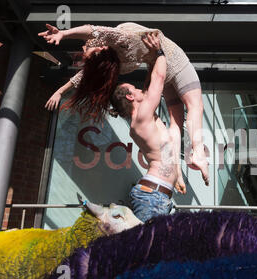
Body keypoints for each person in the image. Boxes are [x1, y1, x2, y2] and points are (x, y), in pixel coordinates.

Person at [38, 22, 209, 194]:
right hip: (170, 60)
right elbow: (93, 33)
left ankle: (178, 172)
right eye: (87, 50)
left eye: (86, 50)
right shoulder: (118, 44)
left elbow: (93, 34)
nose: (83, 50)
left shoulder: (118, 43)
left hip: (161, 63)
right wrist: (64, 34)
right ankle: (198, 152)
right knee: (195, 105)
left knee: (175, 123)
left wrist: (65, 35)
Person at [108, 33, 175, 221]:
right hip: (152, 196)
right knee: (144, 250)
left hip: (156, 195)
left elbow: (149, 84)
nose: (140, 90)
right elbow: (159, 78)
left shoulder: (142, 119)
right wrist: (159, 52)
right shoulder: (142, 117)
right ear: (130, 97)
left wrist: (151, 59)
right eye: (135, 89)